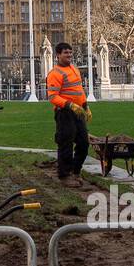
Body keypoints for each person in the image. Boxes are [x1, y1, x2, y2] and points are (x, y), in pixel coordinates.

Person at [46, 42, 90, 187]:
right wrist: (70, 105)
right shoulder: (55, 74)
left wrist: (86, 106)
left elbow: (79, 90)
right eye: (66, 53)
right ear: (58, 55)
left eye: (70, 53)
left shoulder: (74, 69)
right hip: (64, 113)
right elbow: (53, 97)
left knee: (84, 142)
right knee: (66, 143)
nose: (69, 55)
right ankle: (64, 175)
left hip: (78, 111)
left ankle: (76, 171)